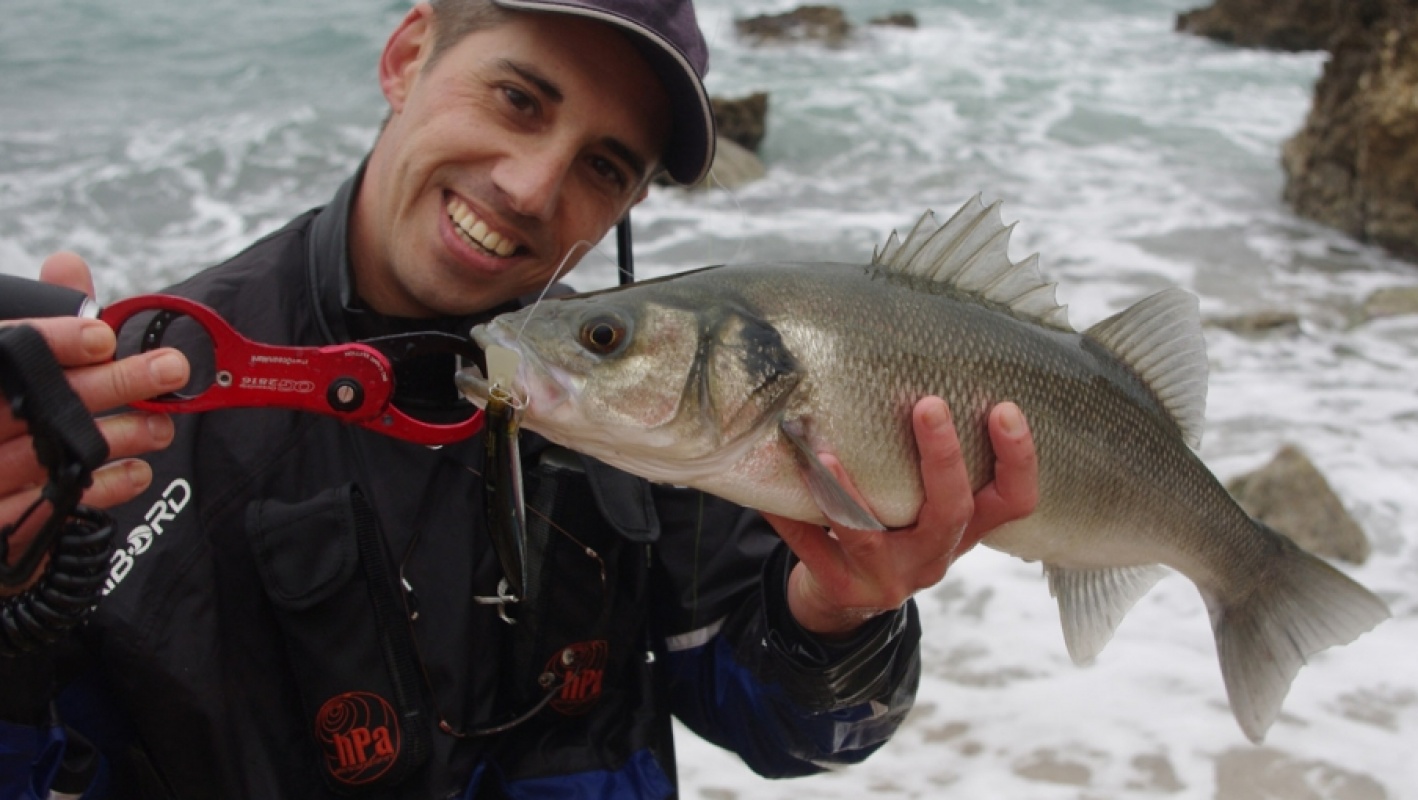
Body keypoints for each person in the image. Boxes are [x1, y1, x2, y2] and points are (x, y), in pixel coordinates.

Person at [0, 0, 1039, 797]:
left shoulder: (657, 390)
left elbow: (789, 728)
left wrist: (838, 613)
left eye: (602, 163)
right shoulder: (142, 393)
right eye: (517, 98)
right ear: (408, 56)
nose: (535, 187)